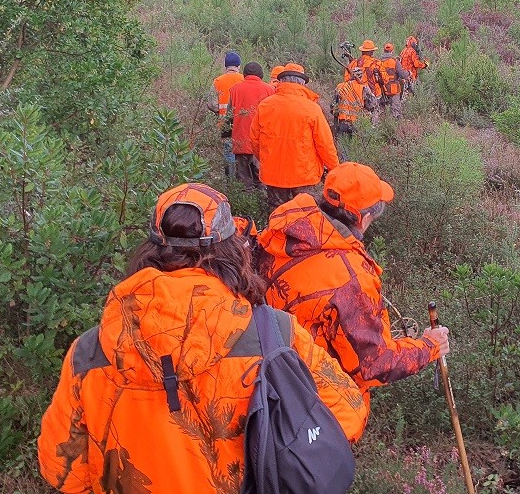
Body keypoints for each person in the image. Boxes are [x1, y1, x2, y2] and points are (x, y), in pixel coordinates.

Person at [37, 182, 367, 494]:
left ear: (150, 253)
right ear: (233, 252)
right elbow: (347, 417)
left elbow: (60, 468)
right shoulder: (275, 337)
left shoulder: (89, 352)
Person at [256, 162, 450, 409]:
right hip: (315, 400)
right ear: (364, 218)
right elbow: (373, 365)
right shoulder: (351, 278)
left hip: (270, 373)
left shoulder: (284, 231)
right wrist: (430, 346)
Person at [250, 62, 340, 212]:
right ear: (302, 83)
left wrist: (267, 160)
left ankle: (276, 235)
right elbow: (325, 144)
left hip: (274, 175)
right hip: (304, 176)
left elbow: (254, 140)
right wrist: (335, 169)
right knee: (306, 217)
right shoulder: (311, 109)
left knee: (277, 215)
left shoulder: (265, 105)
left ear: (281, 82)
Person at [228, 61, 274, 190]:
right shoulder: (270, 90)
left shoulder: (235, 89)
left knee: (244, 182)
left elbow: (229, 116)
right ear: (261, 75)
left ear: (244, 74)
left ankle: (245, 205)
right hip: (261, 143)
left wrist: (226, 134)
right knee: (262, 180)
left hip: (240, 140)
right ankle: (262, 205)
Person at [209, 52, 244, 177]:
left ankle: (230, 182)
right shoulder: (243, 79)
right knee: (242, 156)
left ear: (226, 66)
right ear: (239, 66)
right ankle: (241, 184)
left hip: (225, 124)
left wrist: (219, 111)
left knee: (229, 154)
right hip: (241, 124)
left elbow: (211, 104)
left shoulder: (218, 81)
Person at [330, 67, 375, 159]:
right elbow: (372, 106)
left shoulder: (340, 86)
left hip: (343, 123)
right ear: (361, 76)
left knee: (344, 151)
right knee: (358, 149)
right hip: (358, 124)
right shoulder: (364, 87)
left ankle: (345, 166)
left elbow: (333, 107)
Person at [378, 42, 409, 119]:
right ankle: (397, 125)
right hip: (393, 89)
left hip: (381, 89)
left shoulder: (378, 62)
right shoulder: (395, 61)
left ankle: (383, 124)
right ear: (392, 51)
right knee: (395, 110)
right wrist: (409, 73)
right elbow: (402, 75)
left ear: (384, 51)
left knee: (383, 110)